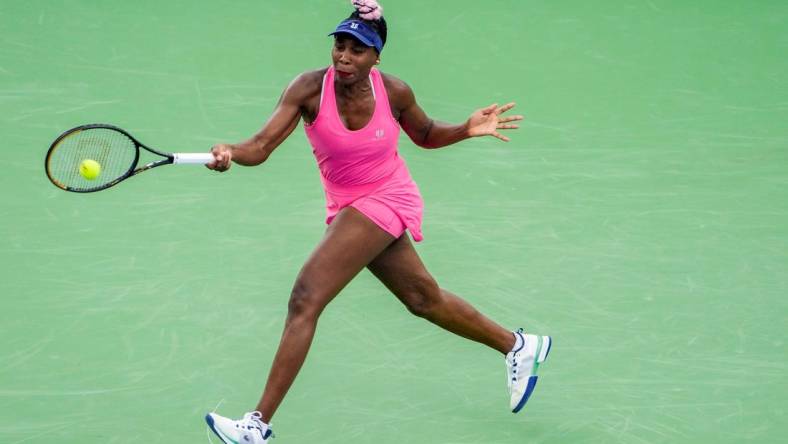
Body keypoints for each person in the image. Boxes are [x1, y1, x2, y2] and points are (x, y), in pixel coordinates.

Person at [204, 1, 551, 442]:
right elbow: (260, 145)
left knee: (305, 297)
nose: (345, 56)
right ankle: (518, 346)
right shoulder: (309, 89)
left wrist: (465, 128)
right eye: (340, 46)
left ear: (376, 56)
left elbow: (424, 134)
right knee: (423, 299)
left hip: (387, 197)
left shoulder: (395, 92)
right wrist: (231, 151)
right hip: (346, 204)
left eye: (358, 49)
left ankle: (257, 424)